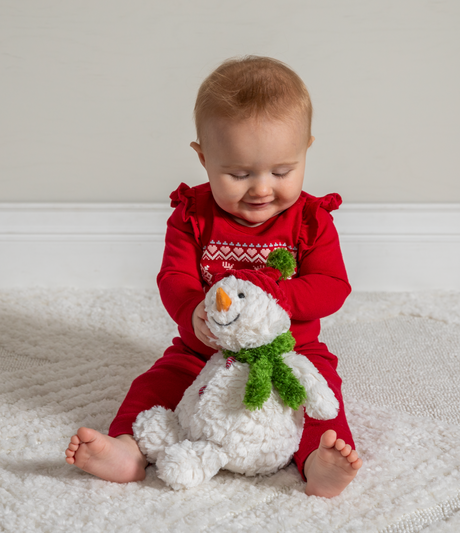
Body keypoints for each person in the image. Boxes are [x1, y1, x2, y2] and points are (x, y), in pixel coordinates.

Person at [65, 56, 362, 498]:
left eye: (282, 171)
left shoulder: (311, 219)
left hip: (291, 351)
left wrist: (278, 297)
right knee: (153, 385)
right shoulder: (192, 215)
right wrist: (192, 310)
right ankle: (128, 448)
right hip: (203, 350)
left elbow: (332, 286)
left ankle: (317, 462)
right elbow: (174, 276)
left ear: (306, 150)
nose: (262, 188)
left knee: (320, 397)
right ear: (204, 158)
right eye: (239, 174)